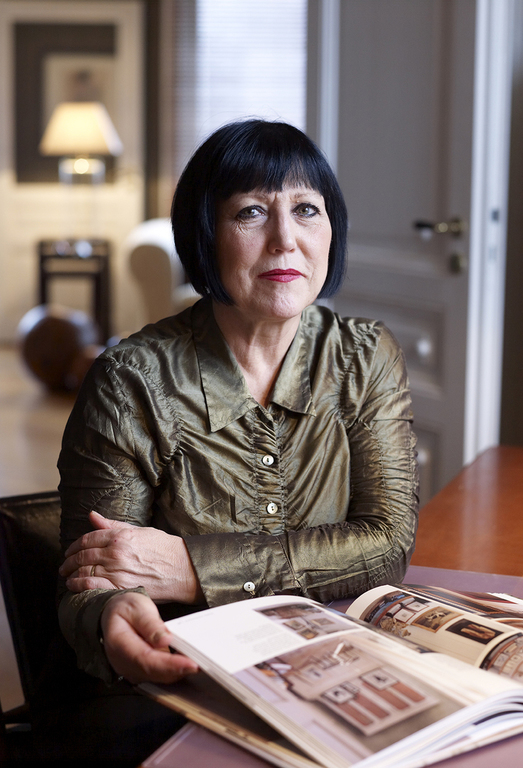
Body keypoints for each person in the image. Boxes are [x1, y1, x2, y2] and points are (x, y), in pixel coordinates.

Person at [51, 119, 418, 759]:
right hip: (184, 682)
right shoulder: (130, 380)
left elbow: (387, 544)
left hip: (336, 668)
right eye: (251, 212)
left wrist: (189, 567)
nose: (286, 239)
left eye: (306, 210)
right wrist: (112, 617)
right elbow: (92, 577)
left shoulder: (366, 357)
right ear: (205, 233)